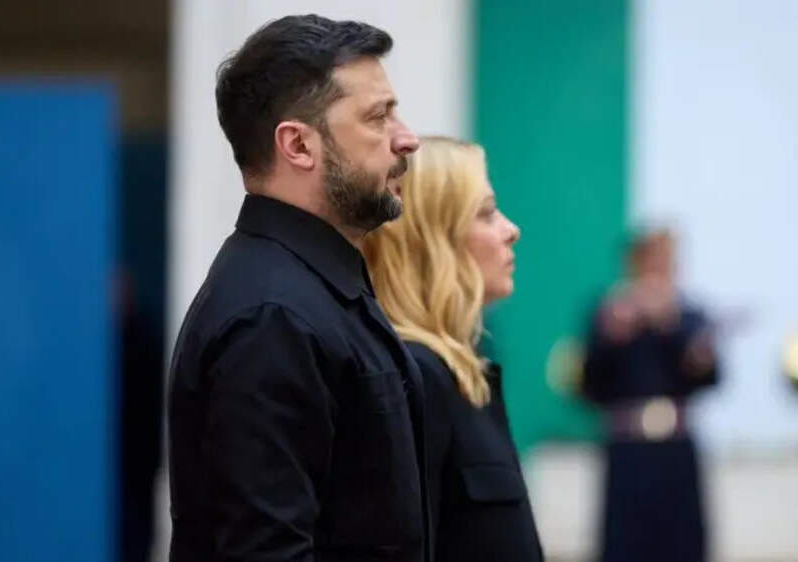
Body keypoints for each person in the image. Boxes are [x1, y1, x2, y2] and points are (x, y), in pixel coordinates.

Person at [167, 15, 428, 561]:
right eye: (377, 117)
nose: (406, 138)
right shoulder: (273, 317)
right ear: (299, 145)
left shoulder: (314, 292)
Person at [363, 137, 541, 561]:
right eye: (485, 213)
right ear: (431, 238)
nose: (511, 230)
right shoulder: (415, 377)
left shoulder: (456, 371)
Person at [579, 229, 718, 562]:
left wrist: (671, 326)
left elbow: (711, 377)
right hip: (628, 447)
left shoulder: (689, 315)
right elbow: (588, 384)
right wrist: (614, 336)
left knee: (682, 544)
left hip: (676, 448)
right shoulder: (608, 313)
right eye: (651, 260)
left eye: (666, 261)